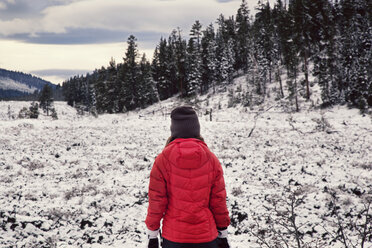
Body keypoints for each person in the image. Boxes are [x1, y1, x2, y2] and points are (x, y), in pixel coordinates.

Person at [145, 106, 231, 248]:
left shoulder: (162, 159)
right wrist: (223, 231)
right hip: (206, 236)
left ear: (173, 130)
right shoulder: (211, 159)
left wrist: (152, 234)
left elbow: (157, 200)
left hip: (174, 237)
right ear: (196, 129)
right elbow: (218, 200)